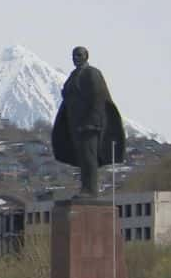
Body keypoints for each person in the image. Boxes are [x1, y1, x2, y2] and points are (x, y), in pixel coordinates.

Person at [51, 46, 126, 200]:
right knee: (82, 158)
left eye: (79, 55)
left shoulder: (92, 73)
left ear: (86, 56)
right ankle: (85, 187)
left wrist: (92, 121)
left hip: (89, 126)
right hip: (75, 125)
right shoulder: (73, 75)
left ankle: (90, 190)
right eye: (73, 55)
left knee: (89, 157)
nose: (76, 58)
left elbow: (99, 97)